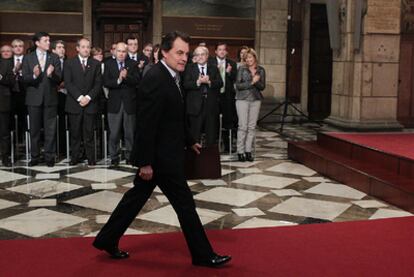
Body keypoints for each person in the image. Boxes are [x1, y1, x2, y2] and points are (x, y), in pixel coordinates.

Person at [93, 31, 231, 268]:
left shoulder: (172, 75)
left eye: (186, 53)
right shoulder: (155, 77)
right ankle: (203, 255)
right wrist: (145, 162)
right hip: (160, 158)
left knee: (134, 199)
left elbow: (174, 117)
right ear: (164, 52)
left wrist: (190, 140)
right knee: (185, 204)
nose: (184, 58)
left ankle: (107, 238)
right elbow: (146, 123)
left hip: (167, 153)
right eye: (179, 52)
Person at [22, 32, 62, 167]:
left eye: (49, 40)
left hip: (50, 99)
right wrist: (34, 75)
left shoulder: (54, 57)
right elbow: (24, 79)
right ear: (37, 43)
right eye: (45, 40)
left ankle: (49, 157)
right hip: (34, 99)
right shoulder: (28, 58)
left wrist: (52, 75)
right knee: (34, 130)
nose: (48, 43)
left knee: (50, 130)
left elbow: (59, 78)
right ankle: (34, 156)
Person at [64, 38, 102, 166]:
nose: (86, 49)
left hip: (90, 104)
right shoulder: (69, 63)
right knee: (75, 133)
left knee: (89, 133)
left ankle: (91, 158)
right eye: (83, 47)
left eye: (88, 47)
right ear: (77, 48)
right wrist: (80, 98)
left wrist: (88, 98)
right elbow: (68, 83)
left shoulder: (95, 64)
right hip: (75, 104)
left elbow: (98, 84)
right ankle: (75, 157)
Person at [104, 42, 140, 166]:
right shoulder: (108, 64)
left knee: (129, 132)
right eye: (119, 51)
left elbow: (137, 81)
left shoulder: (133, 64)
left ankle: (130, 155)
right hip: (114, 104)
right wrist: (119, 80)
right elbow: (106, 82)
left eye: (123, 51)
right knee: (114, 133)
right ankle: (114, 156)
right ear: (114, 52)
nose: (121, 54)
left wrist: (126, 77)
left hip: (130, 103)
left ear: (127, 53)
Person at [183, 46, 223, 145]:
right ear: (195, 57)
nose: (200, 57)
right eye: (198, 55)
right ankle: (193, 159)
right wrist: (198, 82)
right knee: (194, 137)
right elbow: (185, 84)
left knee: (211, 137)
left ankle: (209, 159)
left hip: (210, 107)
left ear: (207, 56)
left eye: (202, 54)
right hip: (195, 107)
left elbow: (220, 83)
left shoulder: (213, 68)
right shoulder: (189, 67)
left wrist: (209, 82)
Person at [235, 48, 266, 162]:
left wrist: (257, 81)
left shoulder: (261, 70)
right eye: (246, 58)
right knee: (242, 126)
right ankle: (240, 151)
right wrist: (252, 82)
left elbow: (262, 87)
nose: (248, 60)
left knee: (252, 127)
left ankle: (248, 151)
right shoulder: (241, 69)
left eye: (250, 57)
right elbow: (238, 86)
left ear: (254, 57)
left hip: (256, 100)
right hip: (242, 99)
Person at [209, 42, 238, 152]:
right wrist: (215, 71)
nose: (221, 51)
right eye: (219, 49)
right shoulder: (210, 62)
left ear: (226, 52)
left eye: (223, 49)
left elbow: (235, 78)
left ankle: (228, 145)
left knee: (228, 121)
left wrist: (229, 73)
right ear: (215, 51)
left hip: (227, 97)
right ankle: (214, 146)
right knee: (213, 121)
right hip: (214, 96)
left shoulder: (231, 63)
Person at [11, 39, 27, 145]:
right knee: (11, 121)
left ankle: (25, 141)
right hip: (10, 95)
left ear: (23, 48)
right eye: (15, 46)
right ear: (12, 48)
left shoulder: (28, 60)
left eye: (20, 46)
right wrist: (14, 71)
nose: (18, 48)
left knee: (24, 119)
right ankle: (14, 142)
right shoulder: (6, 61)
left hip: (26, 94)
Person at [0, 57, 15, 167]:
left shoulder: (6, 63)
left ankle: (5, 157)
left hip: (3, 102)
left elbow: (11, 81)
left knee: (4, 132)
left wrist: (1, 78)